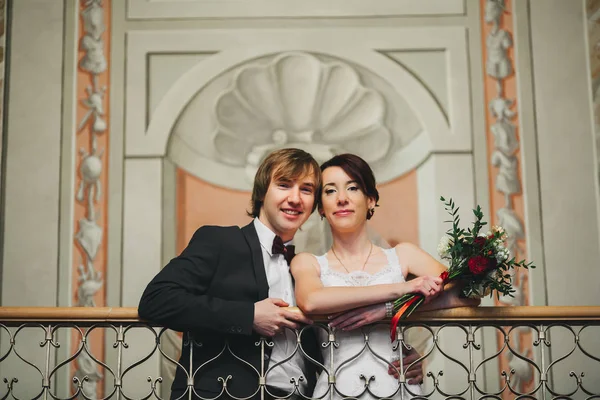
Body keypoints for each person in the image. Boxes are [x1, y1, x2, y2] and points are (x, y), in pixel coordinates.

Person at [137, 148, 423, 399]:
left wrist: (401, 356)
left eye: (307, 190)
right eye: (284, 185)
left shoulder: (309, 269)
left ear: (315, 206)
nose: (295, 198)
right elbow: (156, 300)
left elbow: (343, 333)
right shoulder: (219, 242)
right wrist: (249, 316)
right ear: (263, 191)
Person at [291, 153, 479, 400]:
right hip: (337, 390)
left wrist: (387, 311)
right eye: (330, 191)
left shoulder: (403, 255)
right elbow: (311, 301)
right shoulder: (308, 262)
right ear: (321, 209)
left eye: (353, 187)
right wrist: (400, 289)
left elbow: (468, 295)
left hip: (398, 386)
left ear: (370, 200)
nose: (342, 199)